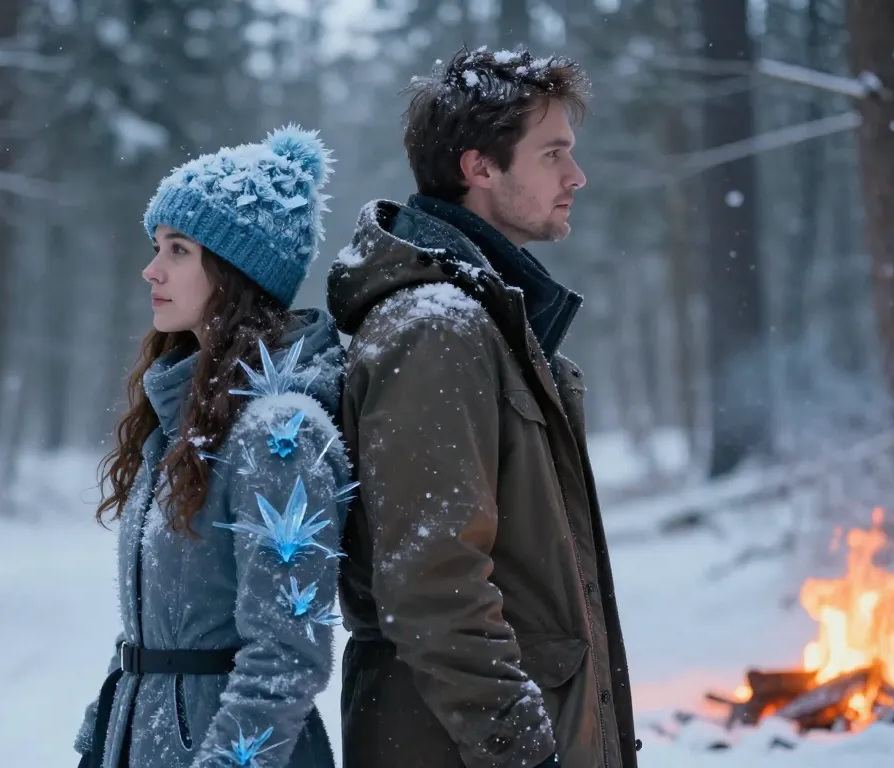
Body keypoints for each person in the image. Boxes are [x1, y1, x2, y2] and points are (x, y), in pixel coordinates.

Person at [328, 46, 639, 768]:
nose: (576, 176)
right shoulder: (437, 331)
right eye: (552, 154)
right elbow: (433, 582)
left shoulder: (485, 322)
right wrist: (522, 749)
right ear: (480, 168)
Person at [74, 126, 351, 768]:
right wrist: (98, 743)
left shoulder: (279, 437)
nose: (152, 269)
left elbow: (286, 656)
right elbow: (152, 630)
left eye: (178, 249)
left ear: (236, 270)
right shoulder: (183, 420)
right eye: (157, 247)